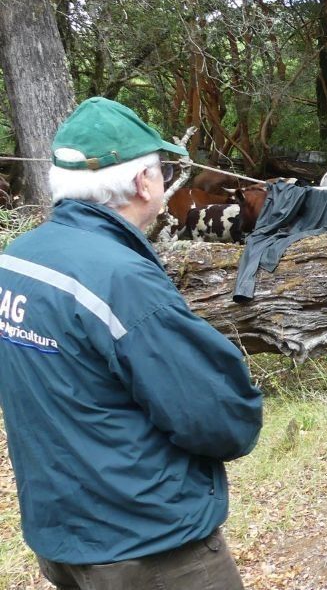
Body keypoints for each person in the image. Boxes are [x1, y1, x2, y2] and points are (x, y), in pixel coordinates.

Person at [0, 97, 264, 589]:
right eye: (160, 169)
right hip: (146, 545)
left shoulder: (18, 259)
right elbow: (218, 418)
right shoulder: (121, 279)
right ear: (144, 182)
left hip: (61, 532)